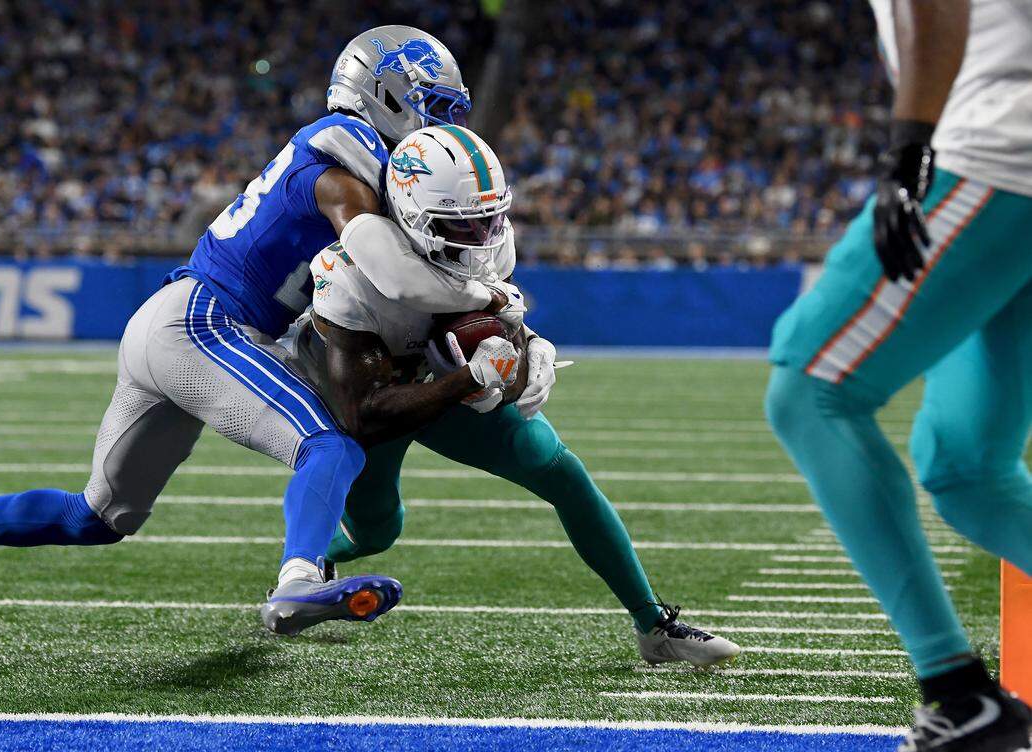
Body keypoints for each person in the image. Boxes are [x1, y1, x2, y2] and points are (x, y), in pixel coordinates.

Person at [0, 26, 528, 638]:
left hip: (178, 322)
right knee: (331, 447)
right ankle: (300, 578)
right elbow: (393, 273)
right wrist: (491, 295)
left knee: (98, 517)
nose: (444, 125)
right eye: (435, 107)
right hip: (204, 322)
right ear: (385, 95)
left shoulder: (346, 156)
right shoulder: (343, 152)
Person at [269, 124, 741, 667]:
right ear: (413, 216)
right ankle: (315, 564)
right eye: (462, 224)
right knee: (378, 528)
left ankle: (654, 626)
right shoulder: (352, 275)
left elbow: (490, 316)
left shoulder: (484, 242)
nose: (482, 237)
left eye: (488, 219)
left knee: (558, 469)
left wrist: (530, 344)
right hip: (368, 398)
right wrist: (470, 378)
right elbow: (366, 413)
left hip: (441, 379)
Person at [765, 1, 1032, 752]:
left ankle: (960, 695)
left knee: (810, 390)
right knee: (968, 470)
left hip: (999, 150)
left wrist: (911, 146)